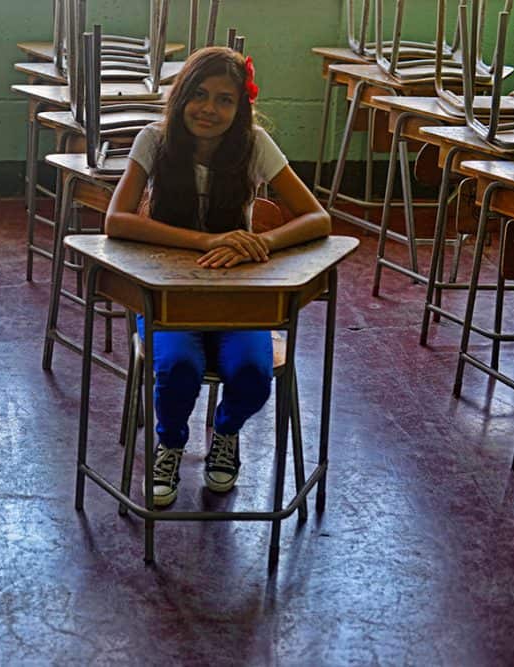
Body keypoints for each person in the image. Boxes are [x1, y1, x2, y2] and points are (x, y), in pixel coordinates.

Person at [104, 47, 331, 507]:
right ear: (182, 96)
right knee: (177, 368)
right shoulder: (155, 139)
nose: (209, 109)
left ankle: (225, 432)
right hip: (169, 295)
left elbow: (317, 218)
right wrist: (204, 241)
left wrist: (263, 243)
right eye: (200, 95)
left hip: (237, 295)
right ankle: (169, 443)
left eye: (225, 100)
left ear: (240, 107)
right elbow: (117, 221)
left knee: (251, 372)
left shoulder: (254, 146)